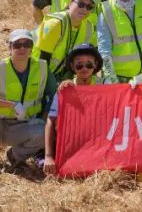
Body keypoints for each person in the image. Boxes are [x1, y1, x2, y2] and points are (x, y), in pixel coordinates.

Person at [0, 30, 57, 177]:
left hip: (26, 125)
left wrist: (45, 116)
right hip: (0, 125)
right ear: (10, 48)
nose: (22, 48)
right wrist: (12, 105)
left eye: (27, 44)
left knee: (45, 132)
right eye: (17, 45)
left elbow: (54, 95)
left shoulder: (42, 67)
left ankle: (15, 156)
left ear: (32, 48)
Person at [42, 44, 107, 175]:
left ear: (95, 66)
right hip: (73, 144)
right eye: (79, 65)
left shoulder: (105, 85)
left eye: (89, 65)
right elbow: (51, 120)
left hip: (99, 142)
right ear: (72, 66)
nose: (84, 68)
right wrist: (48, 156)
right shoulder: (64, 90)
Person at [34, 0, 98, 80]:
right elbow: (43, 58)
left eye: (89, 7)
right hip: (37, 71)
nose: (84, 9)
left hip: (59, 71)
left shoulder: (87, 27)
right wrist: (46, 83)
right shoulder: (56, 23)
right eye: (81, 4)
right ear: (71, 3)